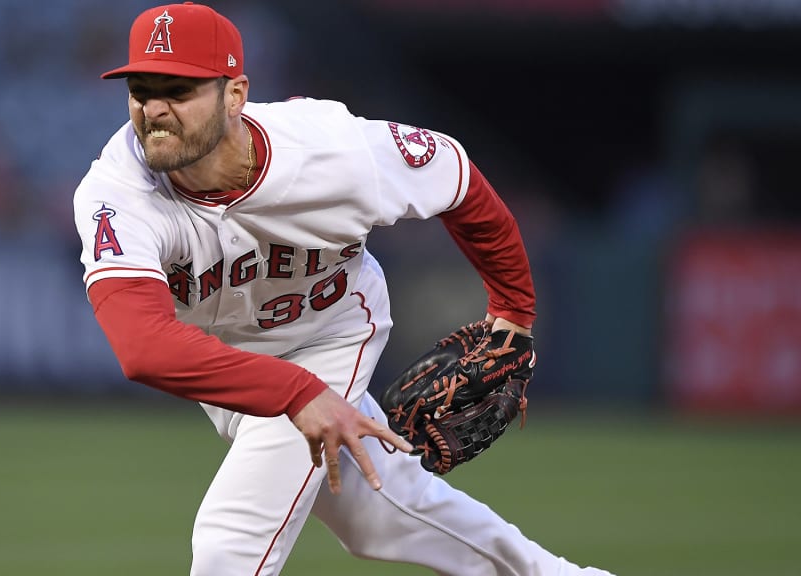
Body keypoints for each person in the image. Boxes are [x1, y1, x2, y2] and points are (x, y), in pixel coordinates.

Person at [74, 3, 615, 574]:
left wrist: (513, 310)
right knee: (377, 513)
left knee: (230, 539)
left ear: (235, 94)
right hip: (228, 359)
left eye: (178, 89)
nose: (154, 108)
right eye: (141, 88)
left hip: (330, 334)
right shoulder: (118, 193)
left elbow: (457, 178)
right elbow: (144, 349)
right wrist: (296, 393)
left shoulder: (335, 152)